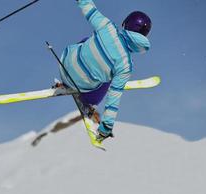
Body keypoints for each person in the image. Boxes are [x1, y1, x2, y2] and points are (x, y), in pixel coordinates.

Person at [59, 0, 152, 142]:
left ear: (125, 24)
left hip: (65, 65)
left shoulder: (107, 26)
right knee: (109, 80)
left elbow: (88, 8)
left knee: (88, 40)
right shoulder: (126, 66)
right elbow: (113, 98)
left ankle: (76, 71)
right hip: (82, 86)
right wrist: (106, 127)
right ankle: (88, 102)